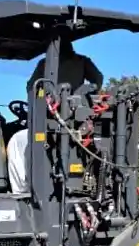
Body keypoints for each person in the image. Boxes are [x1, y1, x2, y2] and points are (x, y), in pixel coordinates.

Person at [7, 39, 104, 193]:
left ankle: (22, 189)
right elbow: (98, 80)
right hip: (76, 119)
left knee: (16, 141)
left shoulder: (45, 64)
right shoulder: (82, 61)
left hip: (51, 120)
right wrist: (83, 93)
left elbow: (31, 86)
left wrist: (43, 101)